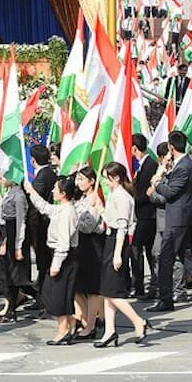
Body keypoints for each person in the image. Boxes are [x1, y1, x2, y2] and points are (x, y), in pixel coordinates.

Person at [147, 131, 192, 312]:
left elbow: (171, 192)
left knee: (165, 258)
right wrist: (164, 170)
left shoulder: (184, 166)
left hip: (178, 219)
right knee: (184, 257)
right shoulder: (180, 165)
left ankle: (166, 299)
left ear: (171, 147)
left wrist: (156, 183)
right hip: (179, 216)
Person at [93, 162, 150, 347]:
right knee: (108, 291)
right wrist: (100, 207)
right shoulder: (114, 195)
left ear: (116, 177)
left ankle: (138, 321)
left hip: (119, 244)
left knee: (115, 292)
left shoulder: (123, 197)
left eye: (107, 178)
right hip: (111, 241)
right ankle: (110, 330)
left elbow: (122, 227)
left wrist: (117, 254)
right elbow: (110, 220)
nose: (105, 181)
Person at [24, 176, 79, 345]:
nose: (53, 191)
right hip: (60, 256)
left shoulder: (68, 212)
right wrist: (32, 192)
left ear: (63, 193)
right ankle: (69, 326)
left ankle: (63, 329)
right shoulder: (61, 209)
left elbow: (63, 242)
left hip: (64, 257)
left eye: (56, 189)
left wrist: (56, 265)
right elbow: (46, 208)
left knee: (57, 295)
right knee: (56, 293)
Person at [71, 167, 104, 340]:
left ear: (92, 181)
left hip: (92, 245)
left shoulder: (95, 199)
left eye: (82, 179)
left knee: (91, 289)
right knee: (77, 287)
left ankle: (91, 325)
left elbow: (89, 226)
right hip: (79, 245)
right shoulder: (81, 199)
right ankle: (83, 319)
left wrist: (73, 220)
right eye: (78, 179)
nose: (78, 182)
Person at [0, 177, 31, 323]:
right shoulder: (9, 193)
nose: (1, 179)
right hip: (8, 232)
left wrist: (18, 245)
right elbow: (2, 219)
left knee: (16, 276)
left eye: (4, 176)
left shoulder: (19, 196)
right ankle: (12, 307)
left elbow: (21, 222)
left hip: (15, 234)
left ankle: (13, 308)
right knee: (8, 273)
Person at [131, 134, 159, 300]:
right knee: (148, 251)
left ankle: (140, 285)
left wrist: (133, 199)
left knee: (138, 248)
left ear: (135, 148)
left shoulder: (150, 165)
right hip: (144, 215)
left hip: (148, 215)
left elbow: (147, 193)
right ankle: (151, 286)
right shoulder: (143, 166)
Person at [28, 145, 56, 307]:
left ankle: (44, 298)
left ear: (33, 160)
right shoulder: (50, 173)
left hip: (41, 225)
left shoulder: (42, 177)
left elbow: (35, 203)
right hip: (44, 223)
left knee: (43, 261)